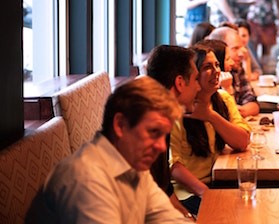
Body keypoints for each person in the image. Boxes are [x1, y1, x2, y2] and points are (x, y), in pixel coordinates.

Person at [26, 77, 191, 223]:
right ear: (120, 125)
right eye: (154, 132)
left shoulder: (134, 167)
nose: (162, 146)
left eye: (164, 135)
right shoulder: (86, 179)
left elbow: (167, 218)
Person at [170, 44, 251, 216]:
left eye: (217, 65)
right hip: (189, 192)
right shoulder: (180, 108)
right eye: (207, 67)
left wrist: (210, 115)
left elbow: (242, 141)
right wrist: (205, 192)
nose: (216, 71)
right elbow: (174, 165)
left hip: (219, 182)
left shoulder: (223, 99)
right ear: (193, 75)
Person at [145, 44, 201, 217]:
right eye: (195, 80)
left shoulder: (162, 115)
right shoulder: (147, 128)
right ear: (179, 83)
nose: (199, 88)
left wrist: (188, 218)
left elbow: (165, 189)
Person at [208, 26, 259, 117]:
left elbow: (253, 102)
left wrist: (240, 111)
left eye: (242, 48)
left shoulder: (237, 69)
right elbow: (221, 115)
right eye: (235, 48)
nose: (241, 54)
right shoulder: (209, 77)